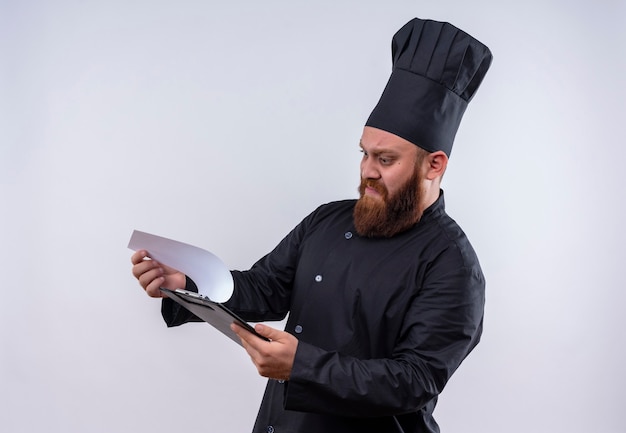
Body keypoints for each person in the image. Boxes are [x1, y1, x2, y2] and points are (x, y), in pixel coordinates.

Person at [131, 17, 492, 433]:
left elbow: (415, 380)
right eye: (364, 153)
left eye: (385, 159)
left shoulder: (452, 265)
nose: (367, 172)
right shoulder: (328, 219)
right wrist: (187, 284)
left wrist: (302, 366)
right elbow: (266, 286)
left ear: (434, 165)